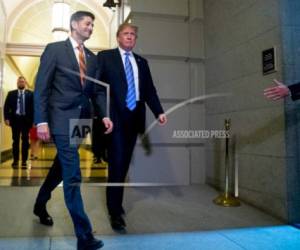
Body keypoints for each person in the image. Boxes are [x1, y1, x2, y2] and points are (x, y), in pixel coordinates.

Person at [33, 11, 112, 250]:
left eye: (92, 24)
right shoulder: (54, 49)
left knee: (62, 165)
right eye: (87, 23)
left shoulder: (92, 58)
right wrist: (41, 121)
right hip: (59, 118)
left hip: (81, 120)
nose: (91, 27)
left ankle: (40, 203)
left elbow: (96, 91)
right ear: (74, 24)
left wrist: (105, 114)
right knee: (73, 172)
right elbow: (42, 87)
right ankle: (84, 236)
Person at [97, 23, 167, 233]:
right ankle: (115, 211)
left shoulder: (142, 62)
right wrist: (104, 114)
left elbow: (149, 91)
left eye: (133, 35)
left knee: (123, 165)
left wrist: (159, 111)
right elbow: (98, 88)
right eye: (126, 34)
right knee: (117, 164)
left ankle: (115, 203)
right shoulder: (105, 57)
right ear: (118, 37)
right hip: (115, 118)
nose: (130, 37)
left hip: (135, 118)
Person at [4, 76, 33, 167]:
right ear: (17, 83)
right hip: (15, 120)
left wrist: (34, 121)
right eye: (20, 82)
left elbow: (34, 108)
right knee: (15, 140)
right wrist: (6, 118)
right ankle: (15, 160)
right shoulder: (11, 94)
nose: (21, 83)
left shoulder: (30, 94)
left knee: (25, 140)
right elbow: (6, 107)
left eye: (23, 82)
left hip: (26, 121)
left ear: (25, 83)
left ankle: (24, 160)